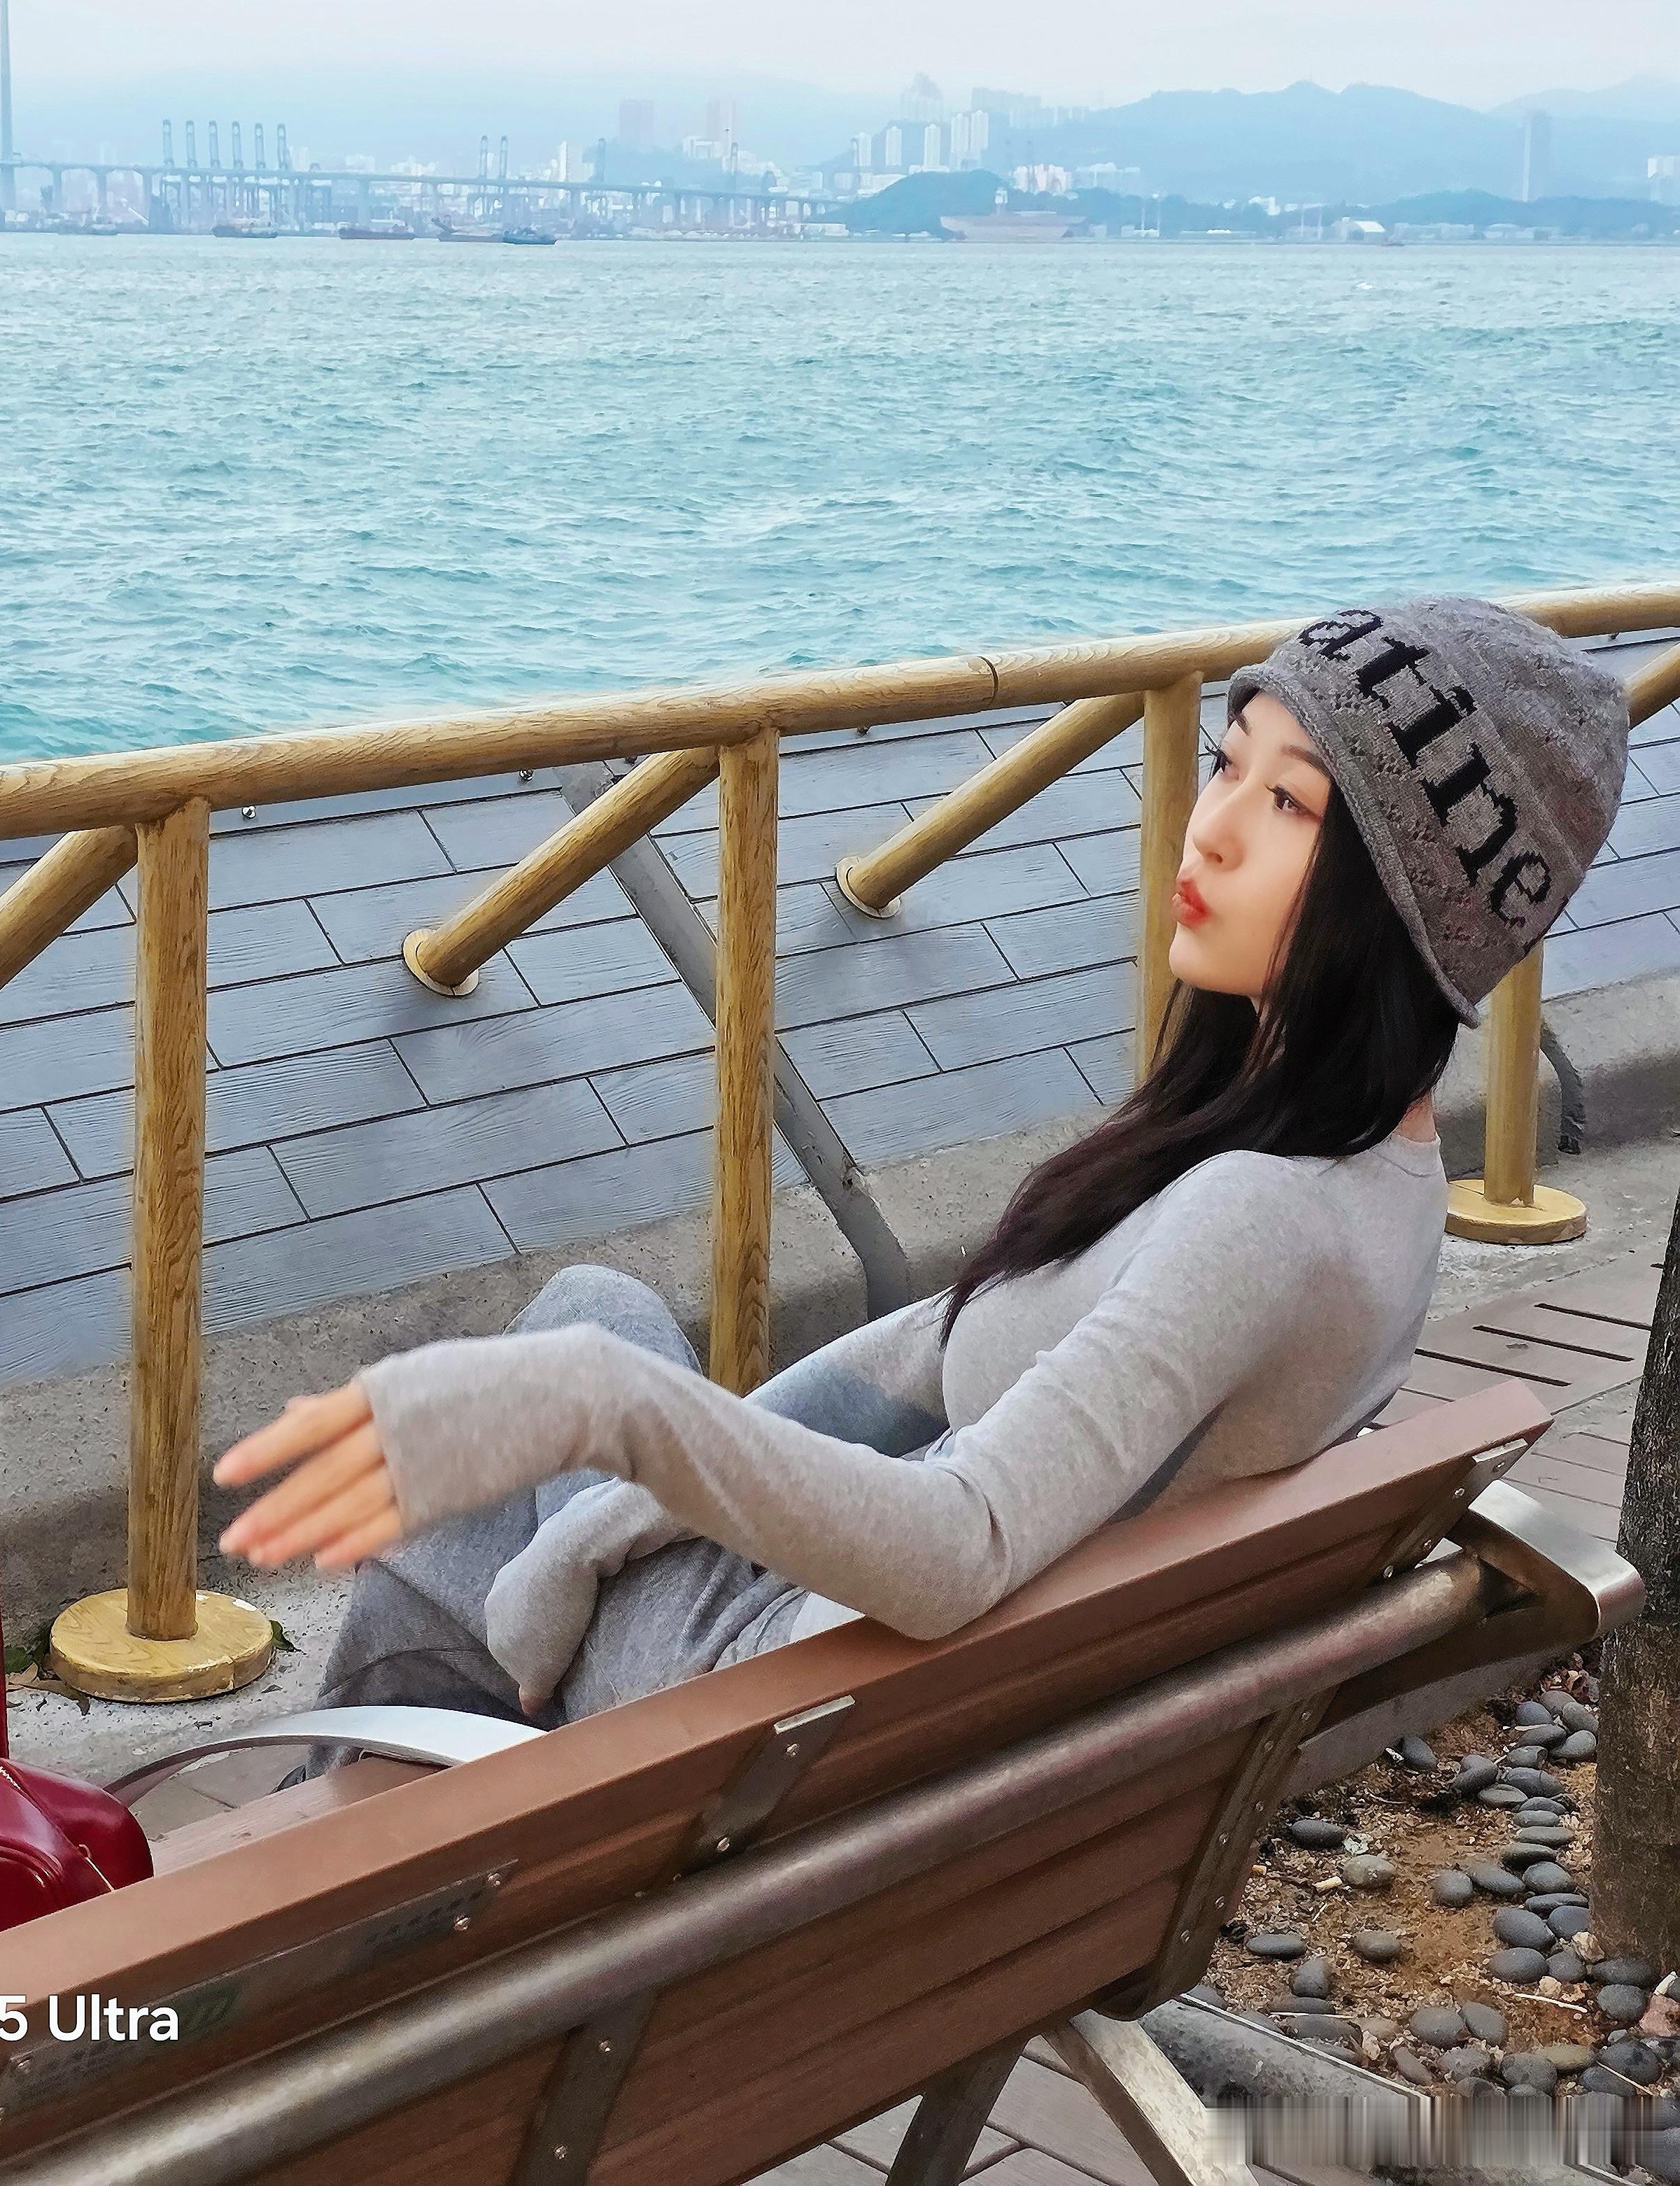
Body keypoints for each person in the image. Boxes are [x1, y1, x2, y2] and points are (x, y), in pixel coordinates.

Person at [214, 597, 1629, 1730]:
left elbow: (960, 1546)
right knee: (583, 1329)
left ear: (1407, 907)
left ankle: (356, 1849)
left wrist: (603, 1412)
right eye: (1226, 762)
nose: (1209, 826)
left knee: (510, 1446)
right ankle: (399, 1803)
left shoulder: (1262, 1216)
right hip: (922, 1732)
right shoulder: (1370, 1176)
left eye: (1292, 806)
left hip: (787, 1706)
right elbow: (929, 1355)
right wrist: (613, 1504)